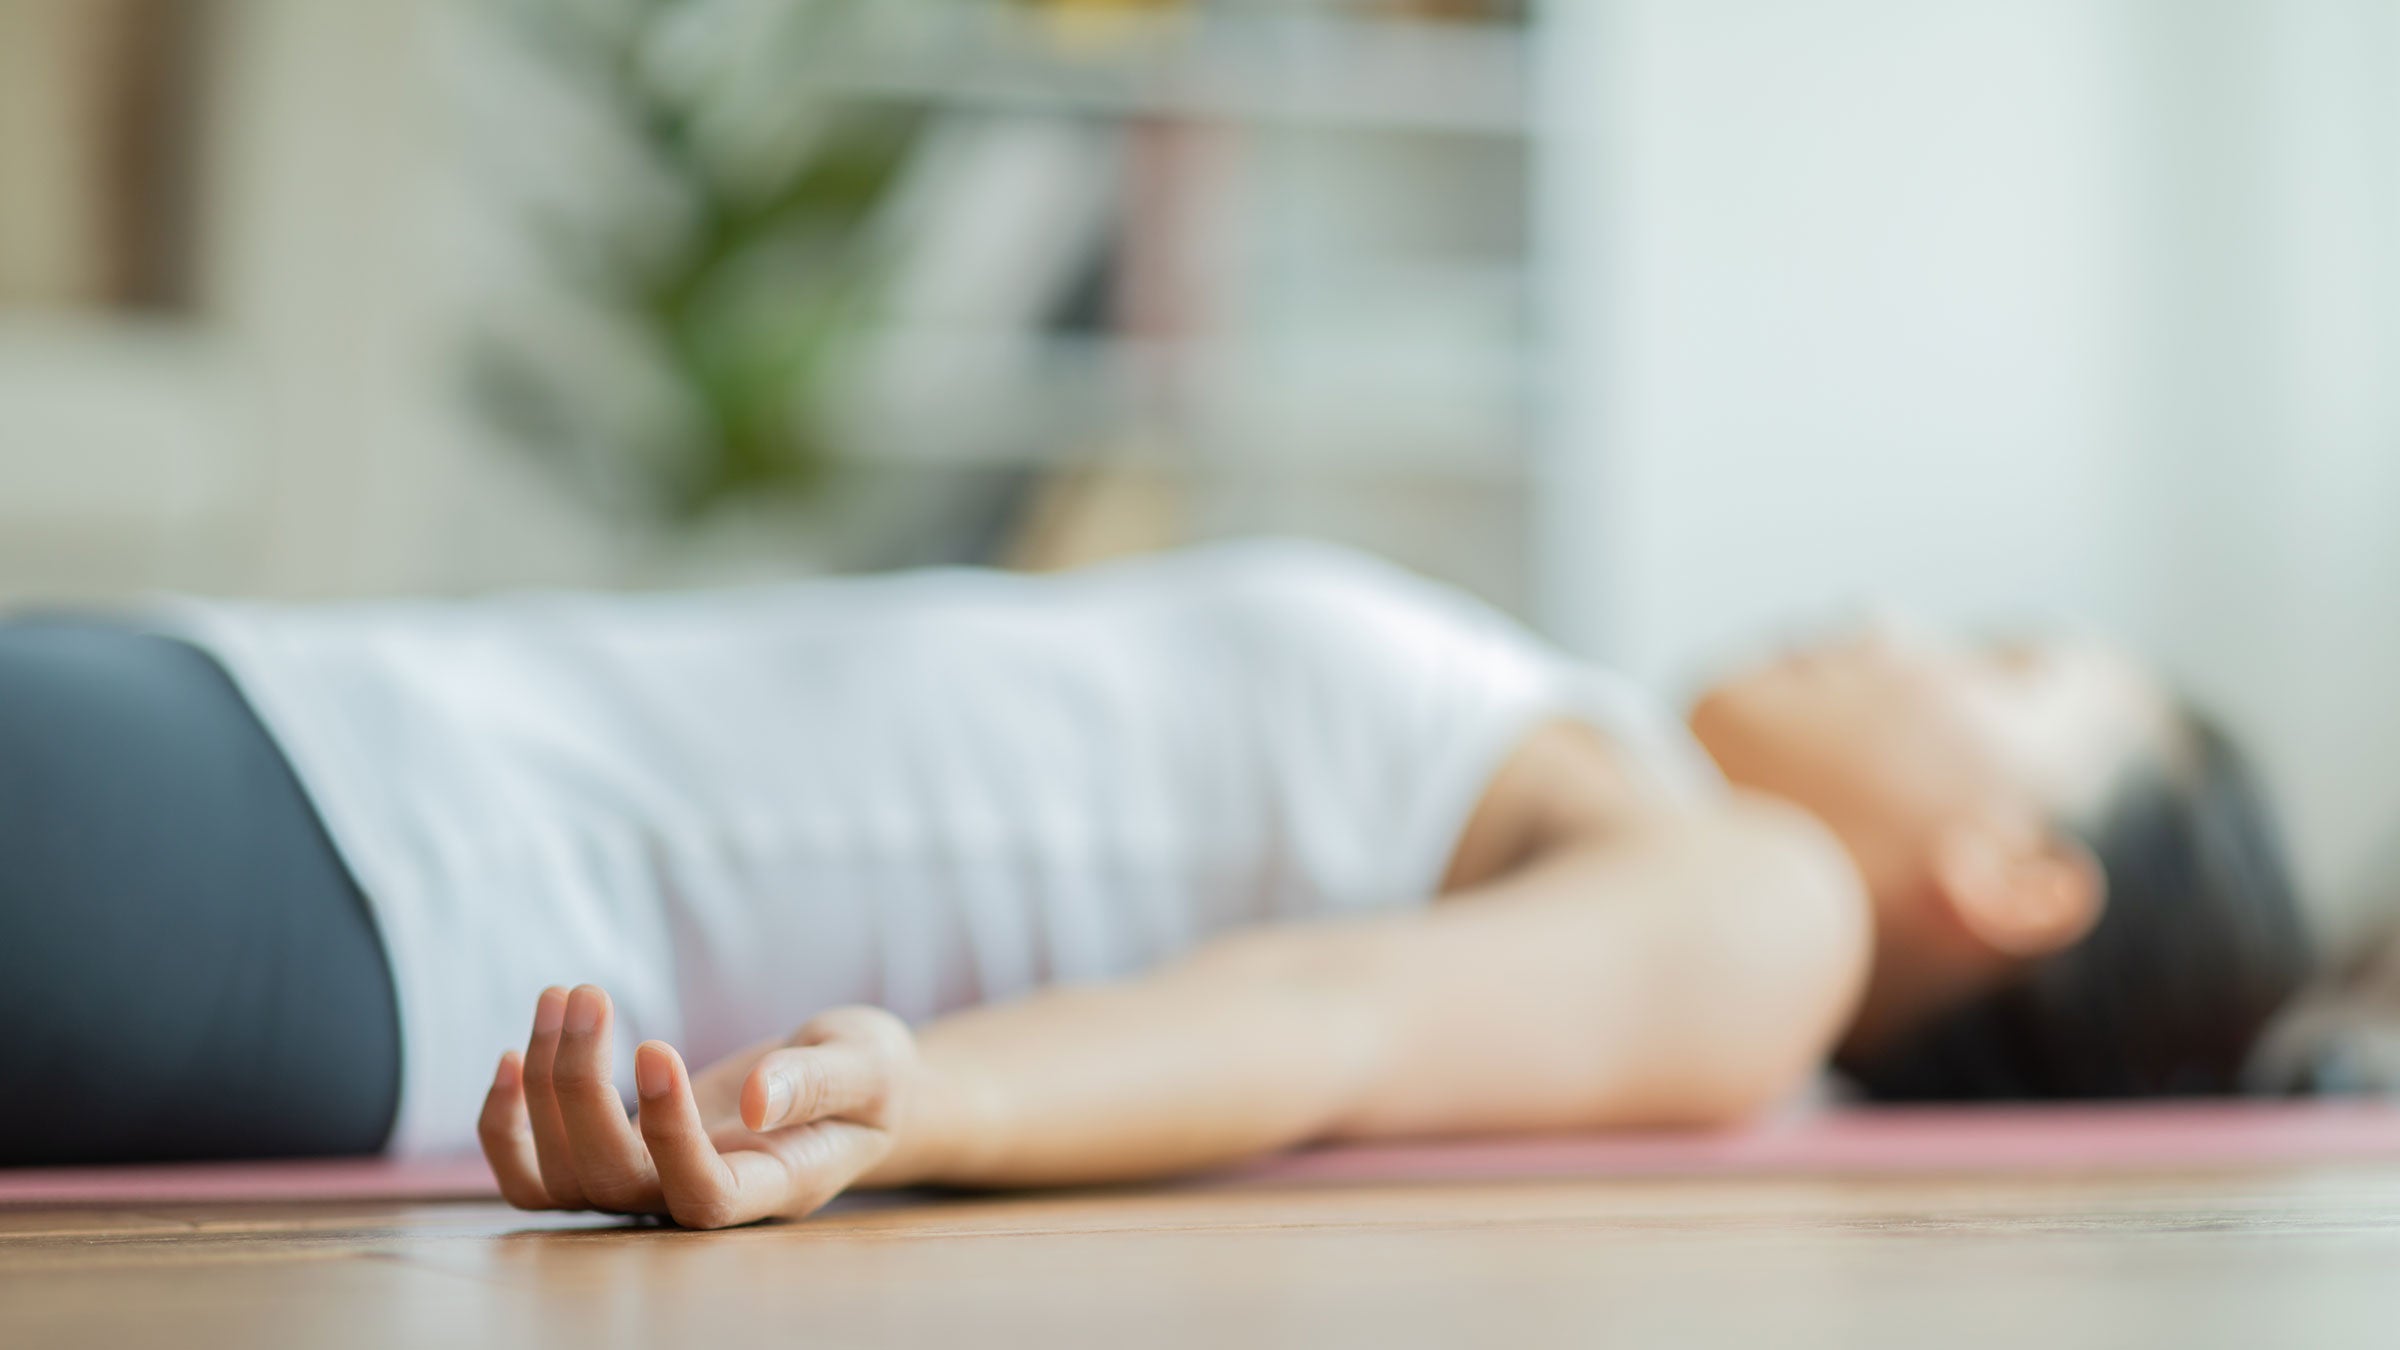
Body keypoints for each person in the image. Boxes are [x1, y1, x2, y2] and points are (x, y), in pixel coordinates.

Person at [0, 539, 2311, 1226]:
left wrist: (915, 1102)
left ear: (2017, 880)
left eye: (2000, 658)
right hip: (323, 740)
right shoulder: (1592, 755)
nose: (1893, 613)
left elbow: (1321, 1022)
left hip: (387, 876)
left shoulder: (1766, 908)